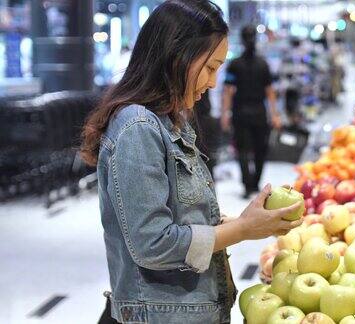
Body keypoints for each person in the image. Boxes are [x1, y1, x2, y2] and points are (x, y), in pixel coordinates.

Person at [80, 1, 302, 323]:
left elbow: (180, 219)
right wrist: (242, 230)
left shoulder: (171, 122)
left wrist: (243, 221)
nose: (213, 82)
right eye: (210, 67)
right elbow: (153, 243)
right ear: (177, 56)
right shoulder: (138, 127)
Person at [221, 25, 282, 199]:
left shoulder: (235, 64)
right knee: (260, 150)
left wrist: (225, 114)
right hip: (259, 113)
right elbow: (270, 92)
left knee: (242, 150)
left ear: (241, 39)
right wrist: (275, 114)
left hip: (240, 112)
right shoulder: (263, 64)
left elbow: (228, 91)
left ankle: (247, 185)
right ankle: (255, 183)